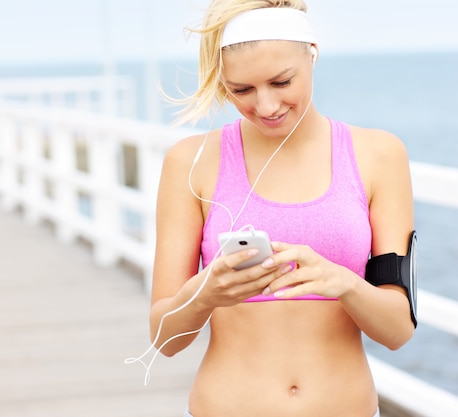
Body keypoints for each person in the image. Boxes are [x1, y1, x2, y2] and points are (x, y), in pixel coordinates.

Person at [148, 1, 416, 416]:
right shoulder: (191, 162)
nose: (267, 106)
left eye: (281, 81)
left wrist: (344, 282)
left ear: (312, 52)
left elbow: (398, 330)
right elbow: (163, 339)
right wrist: (205, 295)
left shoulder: (378, 155)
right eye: (241, 90)